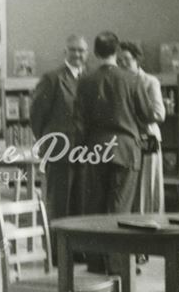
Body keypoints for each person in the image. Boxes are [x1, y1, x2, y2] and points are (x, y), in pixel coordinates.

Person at [74, 32, 157, 271]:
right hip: (126, 150)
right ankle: (117, 263)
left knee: (95, 205)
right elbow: (147, 114)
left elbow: (79, 121)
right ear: (116, 51)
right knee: (120, 206)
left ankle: (97, 262)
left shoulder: (85, 81)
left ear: (96, 52)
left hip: (95, 149)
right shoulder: (131, 79)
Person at [30, 35, 88, 222]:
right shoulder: (52, 79)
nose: (77, 54)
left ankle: (80, 251)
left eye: (81, 50)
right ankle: (57, 250)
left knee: (82, 205)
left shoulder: (90, 78)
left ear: (87, 54)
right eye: (73, 50)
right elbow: (37, 115)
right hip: (60, 152)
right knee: (59, 206)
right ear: (65, 52)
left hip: (88, 153)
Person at [118, 41, 165, 213]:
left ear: (137, 60)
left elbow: (159, 114)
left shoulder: (150, 82)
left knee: (146, 185)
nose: (122, 64)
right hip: (127, 141)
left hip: (147, 139)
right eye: (119, 60)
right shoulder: (119, 82)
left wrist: (132, 116)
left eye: (126, 60)